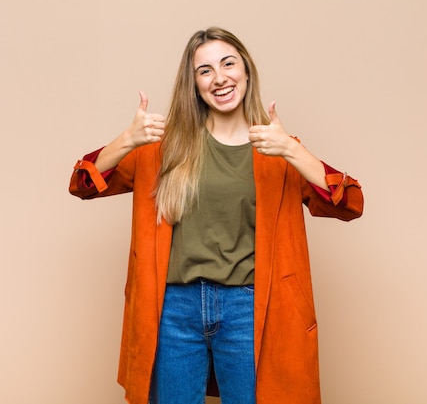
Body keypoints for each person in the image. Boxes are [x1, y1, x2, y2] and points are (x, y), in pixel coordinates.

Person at [69, 27, 363, 404]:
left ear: (246, 72)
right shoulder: (163, 146)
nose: (219, 77)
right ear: (193, 84)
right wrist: (126, 140)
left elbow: (350, 204)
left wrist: (292, 149)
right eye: (205, 70)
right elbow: (82, 183)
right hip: (174, 309)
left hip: (249, 309)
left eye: (228, 64)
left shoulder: (275, 149)